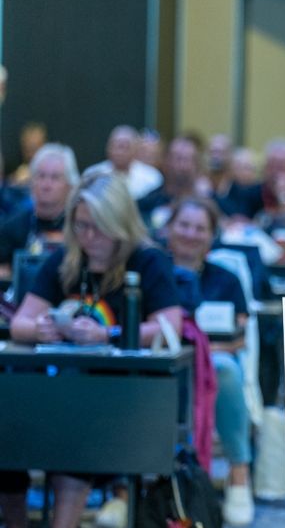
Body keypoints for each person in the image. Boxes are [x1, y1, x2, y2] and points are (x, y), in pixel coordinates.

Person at [1, 170, 181, 528]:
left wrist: (107, 336)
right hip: (63, 390)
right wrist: (42, 329)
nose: (89, 237)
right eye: (81, 226)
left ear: (120, 223)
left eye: (98, 227)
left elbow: (169, 326)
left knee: (73, 428)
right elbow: (20, 323)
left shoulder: (148, 262)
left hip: (123, 395)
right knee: (11, 417)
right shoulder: (66, 261)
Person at [166, 198, 254, 525]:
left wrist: (202, 355)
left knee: (225, 370)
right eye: (184, 225)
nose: (191, 233)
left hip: (214, 365)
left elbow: (241, 337)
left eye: (200, 228)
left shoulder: (227, 279)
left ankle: (239, 471)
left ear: (211, 235)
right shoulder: (153, 271)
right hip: (164, 362)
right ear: (169, 228)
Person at [0, 143, 77, 278]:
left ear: (70, 186)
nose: (46, 185)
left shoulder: (79, 228)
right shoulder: (12, 225)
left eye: (55, 178)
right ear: (32, 182)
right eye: (41, 176)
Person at [85, 125, 164, 200]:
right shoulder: (92, 175)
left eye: (124, 147)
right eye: (116, 146)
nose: (119, 152)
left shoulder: (152, 178)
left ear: (135, 149)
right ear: (107, 148)